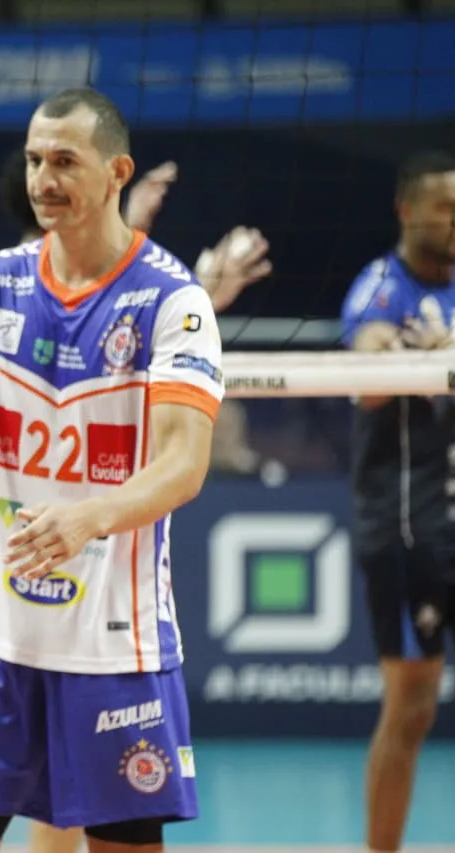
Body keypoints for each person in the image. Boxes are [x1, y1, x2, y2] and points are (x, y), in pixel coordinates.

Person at [0, 88, 222, 853]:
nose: (42, 178)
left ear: (116, 172)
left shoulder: (174, 301)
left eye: (65, 160)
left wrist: (90, 513)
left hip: (114, 645)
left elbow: (183, 463)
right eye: (34, 159)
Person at [339, 150, 455, 853]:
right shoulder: (381, 288)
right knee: (410, 709)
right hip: (411, 530)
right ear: (407, 210)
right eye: (443, 205)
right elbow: (368, 377)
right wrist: (425, 358)